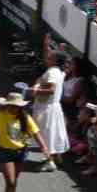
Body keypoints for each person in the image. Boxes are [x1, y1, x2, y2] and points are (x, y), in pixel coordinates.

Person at [27, 36, 70, 171]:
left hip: (46, 109)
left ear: (55, 61)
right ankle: (57, 157)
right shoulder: (59, 71)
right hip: (52, 107)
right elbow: (44, 81)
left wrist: (35, 90)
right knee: (53, 132)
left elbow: (51, 90)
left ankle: (50, 162)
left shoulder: (52, 72)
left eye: (50, 57)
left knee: (45, 135)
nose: (46, 58)